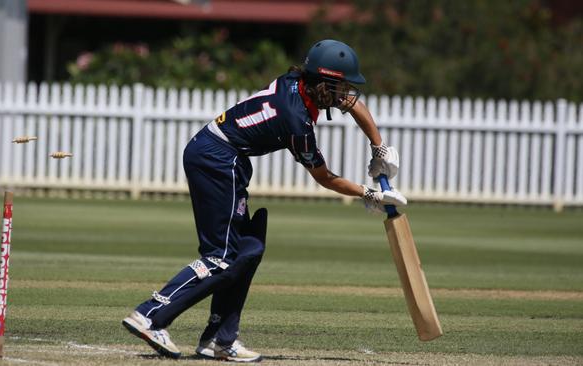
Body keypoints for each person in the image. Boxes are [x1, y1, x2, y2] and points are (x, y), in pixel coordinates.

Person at [122, 39, 406, 362]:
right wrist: (368, 194)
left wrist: (378, 147)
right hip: (218, 159)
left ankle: (220, 339)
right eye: (339, 86)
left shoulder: (297, 83)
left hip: (222, 157)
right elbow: (324, 177)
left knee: (249, 249)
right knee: (222, 257)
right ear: (322, 83)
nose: (345, 94)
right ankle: (150, 315)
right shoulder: (296, 120)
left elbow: (354, 106)